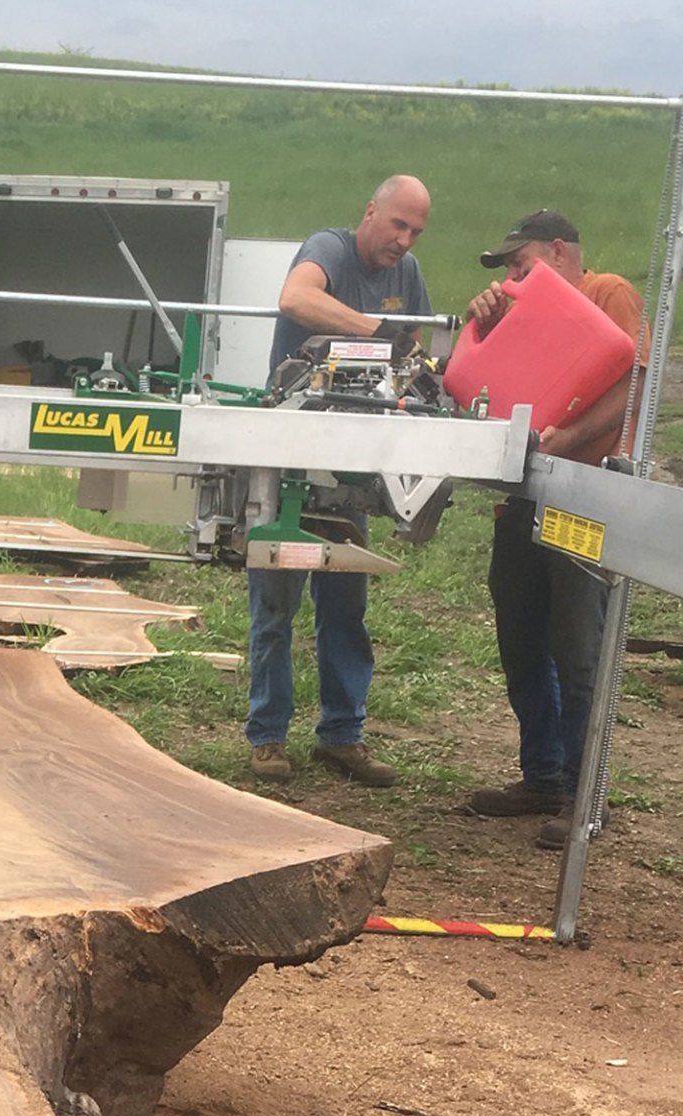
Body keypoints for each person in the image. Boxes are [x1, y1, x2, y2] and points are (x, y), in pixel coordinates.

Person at [460, 211, 646, 850]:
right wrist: (485, 327)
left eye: (521, 265)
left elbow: (631, 389)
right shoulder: (523, 312)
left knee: (577, 644)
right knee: (520, 638)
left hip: (584, 495)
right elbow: (483, 385)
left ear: (560, 252)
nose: (513, 278)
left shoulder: (607, 293)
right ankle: (542, 775)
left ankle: (583, 791)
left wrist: (565, 440)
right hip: (525, 495)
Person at [247, 175, 433, 788]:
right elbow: (296, 298)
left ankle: (342, 735)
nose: (404, 241)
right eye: (398, 225)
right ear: (370, 212)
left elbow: (415, 351)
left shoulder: (409, 275)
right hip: (292, 453)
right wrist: (373, 331)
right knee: (276, 601)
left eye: (416, 232)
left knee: (346, 602)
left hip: (351, 461)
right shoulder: (328, 249)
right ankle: (268, 738)